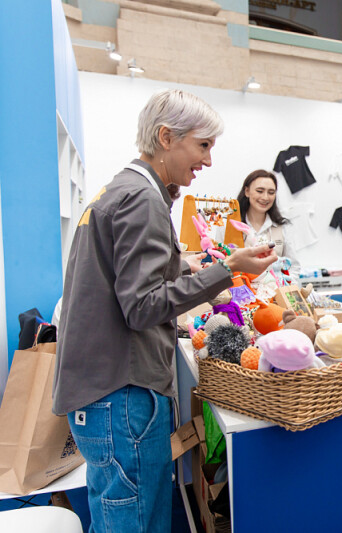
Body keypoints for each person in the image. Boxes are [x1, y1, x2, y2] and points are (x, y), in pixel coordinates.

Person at [52, 89, 277, 533]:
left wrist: (183, 263)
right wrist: (227, 269)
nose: (209, 161)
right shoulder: (141, 199)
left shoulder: (124, 189)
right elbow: (142, 307)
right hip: (124, 393)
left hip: (105, 394)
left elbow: (126, 280)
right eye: (203, 146)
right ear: (166, 137)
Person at [236, 169, 299, 270]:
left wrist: (287, 285)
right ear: (247, 191)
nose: (265, 197)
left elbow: (293, 266)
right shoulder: (230, 226)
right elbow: (222, 263)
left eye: (271, 192)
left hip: (276, 285)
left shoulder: (283, 227)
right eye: (260, 191)